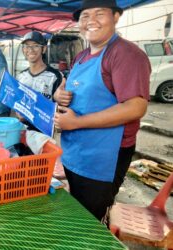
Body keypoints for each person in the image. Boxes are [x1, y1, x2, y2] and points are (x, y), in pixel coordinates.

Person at [54, 0, 151, 223]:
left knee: (92, 220)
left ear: (116, 17)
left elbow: (137, 106)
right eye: (85, 16)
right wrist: (60, 95)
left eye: (100, 14)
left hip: (103, 157)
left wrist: (77, 122)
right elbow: (67, 87)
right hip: (76, 152)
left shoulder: (125, 54)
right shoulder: (82, 56)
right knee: (79, 212)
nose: (91, 21)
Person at [15, 31, 64, 131]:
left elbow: (61, 109)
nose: (31, 50)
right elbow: (17, 102)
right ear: (23, 50)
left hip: (44, 133)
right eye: (27, 46)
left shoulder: (55, 76)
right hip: (23, 131)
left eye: (36, 45)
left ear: (44, 49)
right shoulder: (21, 76)